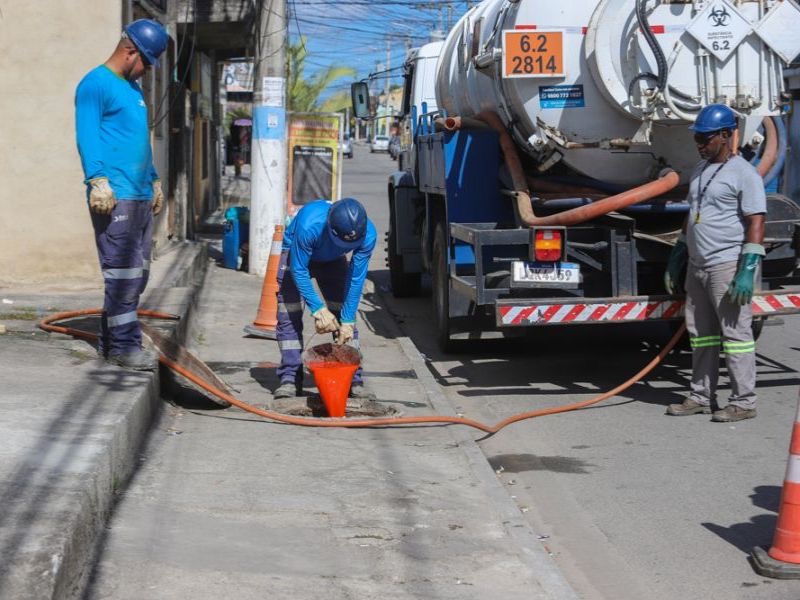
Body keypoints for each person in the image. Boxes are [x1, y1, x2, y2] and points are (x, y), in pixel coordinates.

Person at [74, 19, 169, 370]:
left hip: (140, 193)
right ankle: (124, 348)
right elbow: (87, 135)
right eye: (146, 62)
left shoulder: (133, 90)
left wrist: (155, 180)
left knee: (137, 274)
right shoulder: (95, 84)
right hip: (116, 196)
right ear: (131, 52)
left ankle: (111, 338)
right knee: (123, 274)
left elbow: (139, 142)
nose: (147, 71)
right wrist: (97, 180)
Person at [664, 103, 766, 422]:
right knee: (702, 335)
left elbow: (756, 222)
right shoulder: (701, 169)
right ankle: (701, 395)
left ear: (725, 136)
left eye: (705, 138)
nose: (699, 144)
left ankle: (744, 402)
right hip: (698, 266)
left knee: (735, 335)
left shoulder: (744, 174)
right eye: (698, 137)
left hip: (727, 266)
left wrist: (747, 271)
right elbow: (691, 215)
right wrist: (678, 254)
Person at [274, 198, 377, 400]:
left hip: (333, 260)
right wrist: (319, 309)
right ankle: (290, 378)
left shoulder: (369, 235)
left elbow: (356, 279)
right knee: (289, 313)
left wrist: (347, 319)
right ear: (330, 228)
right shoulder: (309, 225)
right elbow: (299, 269)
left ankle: (353, 379)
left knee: (343, 315)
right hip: (296, 255)